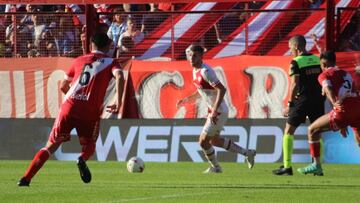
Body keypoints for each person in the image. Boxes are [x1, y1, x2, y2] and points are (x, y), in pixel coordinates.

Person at [17, 32, 125, 186]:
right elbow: (120, 76)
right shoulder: (111, 61)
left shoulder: (79, 60)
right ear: (107, 46)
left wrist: (74, 99)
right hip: (90, 110)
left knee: (50, 146)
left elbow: (63, 86)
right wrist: (118, 101)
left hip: (69, 106)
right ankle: (81, 158)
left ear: (90, 45)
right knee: (89, 144)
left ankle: (26, 178)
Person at [177, 45, 256, 173]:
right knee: (214, 140)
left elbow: (222, 89)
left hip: (218, 111)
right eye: (189, 55)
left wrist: (214, 111)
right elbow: (202, 91)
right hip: (215, 110)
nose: (191, 58)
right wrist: (186, 99)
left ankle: (216, 167)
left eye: (194, 55)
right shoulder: (195, 71)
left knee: (203, 141)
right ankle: (247, 153)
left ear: (201, 56)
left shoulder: (206, 71)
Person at [297, 51, 360, 175]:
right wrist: (343, 122)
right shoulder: (346, 73)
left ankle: (316, 165)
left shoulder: (324, 75)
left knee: (312, 130)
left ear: (323, 63)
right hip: (357, 108)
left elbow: (328, 89)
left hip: (344, 110)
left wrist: (335, 103)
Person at [272, 35, 325, 176]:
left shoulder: (296, 62)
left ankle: (287, 167)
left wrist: (290, 103)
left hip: (303, 100)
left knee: (288, 130)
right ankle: (317, 165)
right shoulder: (316, 59)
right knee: (316, 132)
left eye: (290, 48)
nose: (290, 51)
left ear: (295, 47)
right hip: (318, 100)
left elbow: (295, 84)